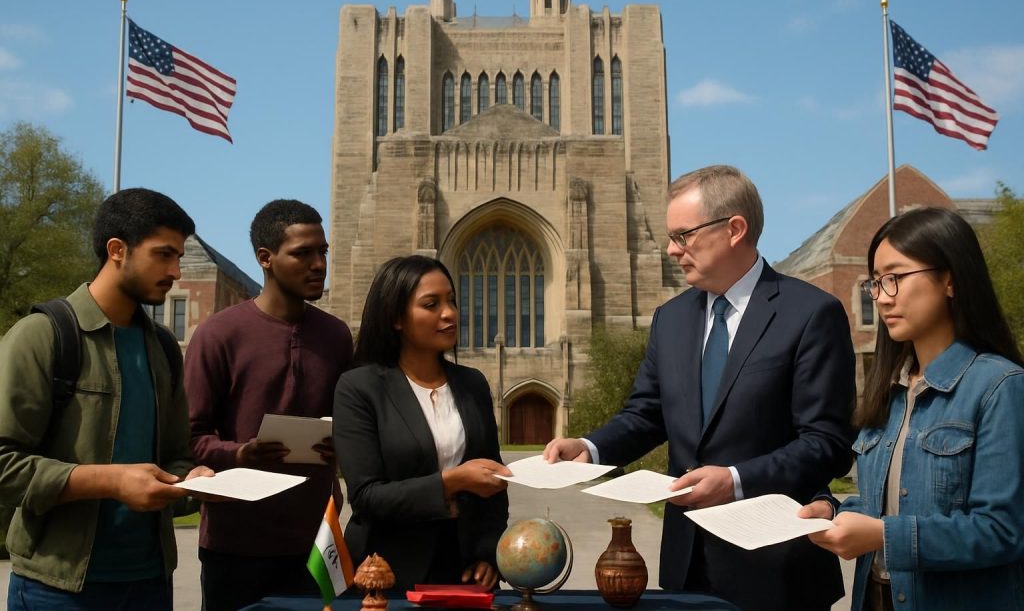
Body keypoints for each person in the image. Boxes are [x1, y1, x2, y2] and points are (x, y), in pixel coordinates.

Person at [544, 165, 856, 610]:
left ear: (734, 229)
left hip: (778, 570)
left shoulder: (811, 314)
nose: (672, 251)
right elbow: (646, 415)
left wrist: (734, 481)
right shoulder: (670, 320)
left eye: (682, 236)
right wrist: (591, 449)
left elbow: (828, 443)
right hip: (686, 565)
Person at [800, 207, 1024, 610]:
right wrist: (832, 508)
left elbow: (1002, 531)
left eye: (896, 279)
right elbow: (885, 505)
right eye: (876, 284)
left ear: (950, 279)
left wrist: (883, 536)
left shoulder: (999, 387)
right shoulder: (890, 390)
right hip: (874, 597)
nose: (883, 299)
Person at [0, 188, 213, 610]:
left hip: (151, 582)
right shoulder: (43, 335)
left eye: (179, 257)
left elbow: (175, 455)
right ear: (117, 250)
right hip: (56, 586)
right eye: (163, 255)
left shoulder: (165, 349)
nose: (175, 269)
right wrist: (111, 482)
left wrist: (189, 482)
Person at [185, 200, 354, 611]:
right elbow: (189, 438)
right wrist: (241, 452)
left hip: (317, 542)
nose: (318, 264)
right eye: (302, 253)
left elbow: (350, 425)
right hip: (236, 546)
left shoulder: (336, 337)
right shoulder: (218, 335)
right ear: (266, 258)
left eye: (323, 252)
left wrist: (342, 446)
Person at [333, 255, 510, 592]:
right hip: (386, 573)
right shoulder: (359, 388)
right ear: (396, 318)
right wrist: (450, 482)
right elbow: (367, 496)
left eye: (452, 301)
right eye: (432, 304)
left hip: (465, 572)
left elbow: (494, 483)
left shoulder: (473, 383)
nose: (450, 313)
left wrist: (489, 554)